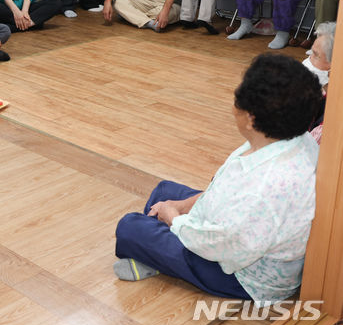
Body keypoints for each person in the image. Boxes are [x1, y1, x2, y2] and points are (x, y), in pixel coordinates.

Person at [114, 53, 322, 305]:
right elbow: (224, 193)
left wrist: (175, 219)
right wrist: (180, 206)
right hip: (240, 237)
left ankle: (156, 257)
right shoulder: (294, 138)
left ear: (251, 118)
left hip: (242, 276)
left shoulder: (266, 185)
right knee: (163, 191)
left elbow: (222, 245)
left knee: (130, 227)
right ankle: (157, 254)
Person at [305, 22, 335, 143]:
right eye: (311, 53)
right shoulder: (320, 95)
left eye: (316, 56)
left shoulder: (329, 127)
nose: (309, 60)